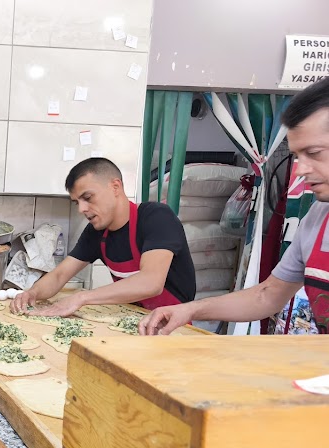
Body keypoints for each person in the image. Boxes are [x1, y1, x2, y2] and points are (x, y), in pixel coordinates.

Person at [140, 76, 329, 336]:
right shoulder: (317, 219)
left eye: (315, 153)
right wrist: (189, 310)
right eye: (297, 156)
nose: (300, 170)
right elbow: (267, 295)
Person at [11, 158, 196, 316]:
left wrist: (81, 298)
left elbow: (151, 282)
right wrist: (32, 293)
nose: (81, 209)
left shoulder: (156, 218)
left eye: (88, 198)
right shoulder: (96, 231)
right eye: (77, 202)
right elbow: (60, 275)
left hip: (174, 328)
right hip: (135, 323)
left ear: (115, 187)